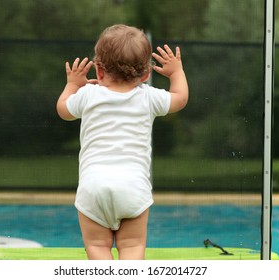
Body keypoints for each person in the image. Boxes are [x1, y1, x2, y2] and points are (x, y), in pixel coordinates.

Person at [56, 24, 188, 260]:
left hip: (93, 186)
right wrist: (176, 72)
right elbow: (179, 99)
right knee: (132, 247)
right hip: (133, 187)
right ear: (146, 75)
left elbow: (63, 110)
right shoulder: (149, 97)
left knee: (97, 246)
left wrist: (73, 85)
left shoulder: (87, 95)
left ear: (98, 70)